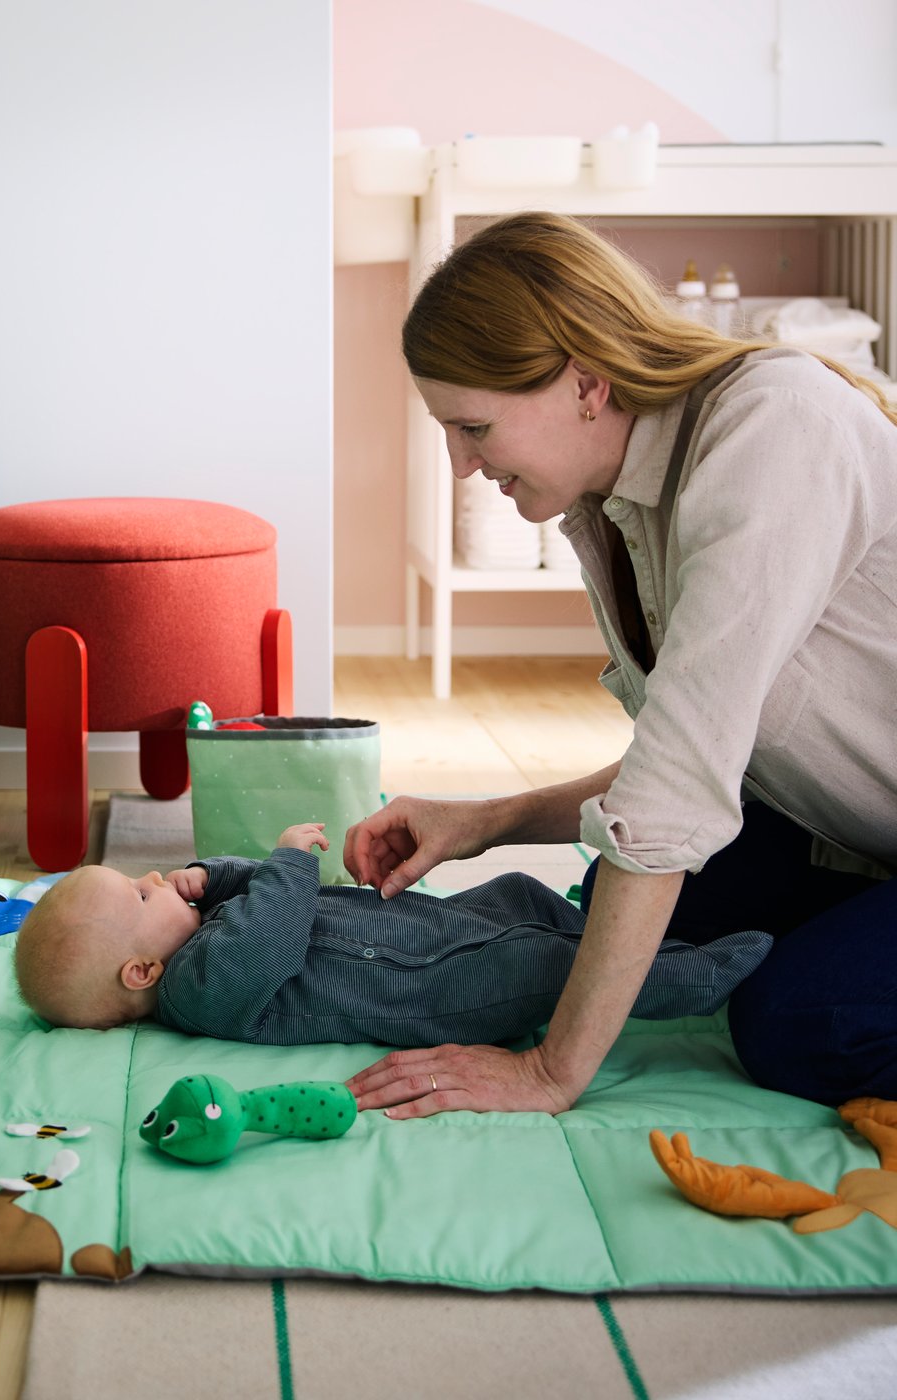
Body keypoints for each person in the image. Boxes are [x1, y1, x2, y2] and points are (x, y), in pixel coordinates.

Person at [343, 210, 897, 1118]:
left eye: (473, 427)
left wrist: (552, 1073)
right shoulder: (615, 503)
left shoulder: (772, 433)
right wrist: (487, 820)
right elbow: (700, 752)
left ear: (586, 384)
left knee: (806, 1020)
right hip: (857, 819)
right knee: (623, 893)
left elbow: (676, 783)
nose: (460, 463)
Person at [13, 823, 771, 1043]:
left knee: (518, 894)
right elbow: (272, 930)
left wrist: (214, 873)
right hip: (434, 988)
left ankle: (650, 943)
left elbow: (249, 902)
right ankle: (691, 981)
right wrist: (282, 859)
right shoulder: (201, 991)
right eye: (143, 896)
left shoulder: (195, 933)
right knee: (552, 964)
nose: (157, 880)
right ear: (140, 972)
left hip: (429, 930)